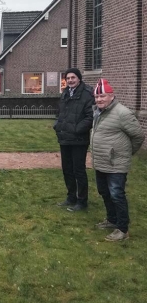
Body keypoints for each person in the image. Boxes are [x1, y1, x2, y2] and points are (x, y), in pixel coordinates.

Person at [91, 78, 145, 241]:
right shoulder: (98, 112)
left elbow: (138, 136)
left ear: (112, 96)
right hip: (101, 161)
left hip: (116, 163)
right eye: (97, 96)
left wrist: (125, 153)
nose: (99, 99)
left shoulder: (122, 113)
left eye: (103, 96)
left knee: (116, 195)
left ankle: (122, 229)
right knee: (104, 192)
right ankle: (112, 220)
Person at [54, 68, 95, 212]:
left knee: (79, 170)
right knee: (67, 169)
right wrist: (58, 125)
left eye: (73, 77)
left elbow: (90, 117)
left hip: (79, 139)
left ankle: (82, 201)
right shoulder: (65, 93)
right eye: (68, 78)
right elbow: (61, 113)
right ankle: (71, 197)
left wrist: (77, 129)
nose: (70, 80)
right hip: (64, 138)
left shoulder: (87, 94)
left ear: (79, 78)